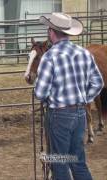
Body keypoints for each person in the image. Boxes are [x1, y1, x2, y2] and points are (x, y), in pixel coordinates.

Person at [35, 12, 104, 180]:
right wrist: (84, 98)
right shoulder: (84, 53)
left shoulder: (49, 57)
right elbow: (98, 82)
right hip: (80, 113)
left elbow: (40, 93)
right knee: (78, 161)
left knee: (59, 162)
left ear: (51, 32)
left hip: (59, 115)